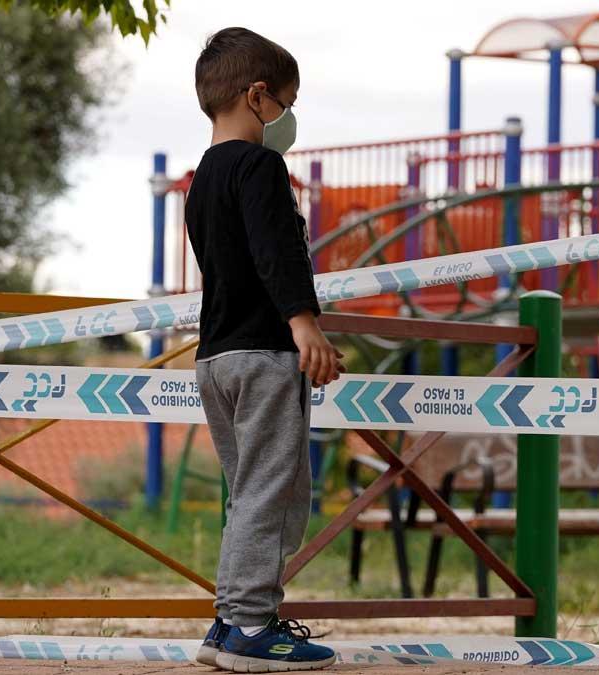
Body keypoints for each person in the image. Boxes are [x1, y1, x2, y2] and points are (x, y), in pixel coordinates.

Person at [184, 26, 344, 673]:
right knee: (274, 491)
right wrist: (303, 323)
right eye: (286, 101)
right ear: (257, 96)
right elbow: (277, 250)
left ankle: (228, 624)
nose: (287, 117)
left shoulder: (202, 180)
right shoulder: (260, 166)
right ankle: (252, 625)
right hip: (264, 353)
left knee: (250, 491)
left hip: (215, 357)